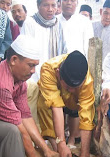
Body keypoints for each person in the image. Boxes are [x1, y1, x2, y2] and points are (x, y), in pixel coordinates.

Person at [37, 50, 95, 157]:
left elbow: (86, 119)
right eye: (69, 87)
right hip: (53, 102)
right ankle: (55, 147)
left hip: (73, 103)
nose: (72, 90)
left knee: (79, 109)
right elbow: (56, 108)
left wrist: (85, 156)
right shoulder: (48, 69)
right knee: (43, 104)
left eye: (76, 87)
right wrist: (60, 143)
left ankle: (72, 141)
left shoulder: (87, 80)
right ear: (58, 74)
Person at [20, 0, 67, 129]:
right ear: (38, 6)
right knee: (33, 108)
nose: (50, 9)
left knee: (52, 108)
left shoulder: (59, 24)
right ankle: (36, 139)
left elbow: (63, 51)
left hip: (52, 76)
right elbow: (25, 51)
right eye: (46, 5)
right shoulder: (29, 23)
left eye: (53, 5)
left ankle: (52, 138)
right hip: (33, 76)